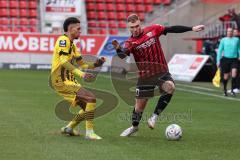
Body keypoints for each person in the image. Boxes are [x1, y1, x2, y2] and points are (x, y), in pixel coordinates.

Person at [112, 14, 204, 137]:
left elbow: (171, 29)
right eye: (132, 27)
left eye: (137, 26)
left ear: (140, 23)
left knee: (170, 87)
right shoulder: (130, 42)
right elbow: (123, 55)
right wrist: (118, 49)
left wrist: (191, 28)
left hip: (161, 71)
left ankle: (154, 117)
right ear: (129, 28)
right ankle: (134, 127)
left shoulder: (153, 29)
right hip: (145, 76)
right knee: (139, 107)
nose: (135, 29)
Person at [51, 17, 105, 140]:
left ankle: (69, 128)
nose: (81, 31)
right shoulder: (63, 41)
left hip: (68, 80)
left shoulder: (73, 46)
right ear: (70, 29)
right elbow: (64, 61)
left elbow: (83, 64)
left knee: (87, 106)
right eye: (78, 29)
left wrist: (97, 64)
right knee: (91, 98)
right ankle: (90, 133)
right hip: (61, 80)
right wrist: (82, 74)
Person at [217, 27, 240, 96]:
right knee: (226, 77)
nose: (229, 32)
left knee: (234, 74)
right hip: (226, 59)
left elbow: (239, 48)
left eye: (231, 31)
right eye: (228, 31)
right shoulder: (223, 40)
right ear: (226, 32)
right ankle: (225, 90)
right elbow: (220, 51)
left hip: (234, 59)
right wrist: (218, 60)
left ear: (233, 32)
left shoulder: (237, 39)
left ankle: (232, 90)